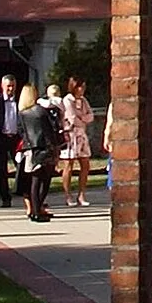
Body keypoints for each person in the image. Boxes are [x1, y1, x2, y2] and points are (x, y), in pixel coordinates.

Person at [16, 81, 60, 223]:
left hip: (29, 149)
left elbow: (20, 131)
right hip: (43, 148)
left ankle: (35, 211)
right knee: (44, 181)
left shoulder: (22, 113)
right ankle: (38, 209)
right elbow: (49, 130)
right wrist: (54, 147)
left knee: (34, 181)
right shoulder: (40, 111)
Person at [59, 78, 95, 207]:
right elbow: (72, 118)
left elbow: (91, 115)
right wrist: (82, 119)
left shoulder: (84, 100)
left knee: (85, 164)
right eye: (80, 87)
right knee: (69, 165)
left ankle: (81, 194)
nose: (82, 90)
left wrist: (83, 118)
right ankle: (68, 194)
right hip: (70, 135)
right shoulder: (67, 100)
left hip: (81, 135)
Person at [0, 70, 20, 208]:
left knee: (22, 167)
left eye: (13, 86)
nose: (10, 89)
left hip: (16, 139)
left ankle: (24, 193)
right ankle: (5, 198)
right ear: (2, 86)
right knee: (2, 170)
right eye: (8, 86)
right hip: (1, 138)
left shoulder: (19, 101)